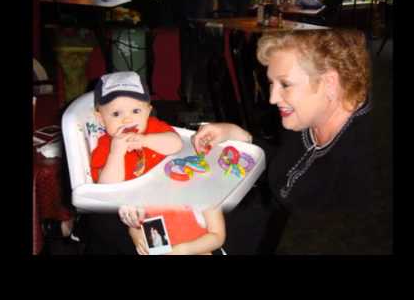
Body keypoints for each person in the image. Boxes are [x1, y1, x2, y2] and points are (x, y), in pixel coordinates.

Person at [192, 29, 381, 254]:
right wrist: (241, 135)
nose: (272, 98)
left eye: (285, 84)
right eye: (271, 83)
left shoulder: (366, 160)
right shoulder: (308, 116)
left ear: (330, 83)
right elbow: (288, 163)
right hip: (265, 219)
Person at [84, 71, 226, 255]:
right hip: (143, 207)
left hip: (175, 190)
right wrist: (116, 153)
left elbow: (175, 144)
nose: (127, 119)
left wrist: (146, 140)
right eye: (116, 113)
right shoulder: (105, 145)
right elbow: (107, 187)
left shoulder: (153, 128)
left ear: (148, 111)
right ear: (101, 118)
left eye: (136, 111)